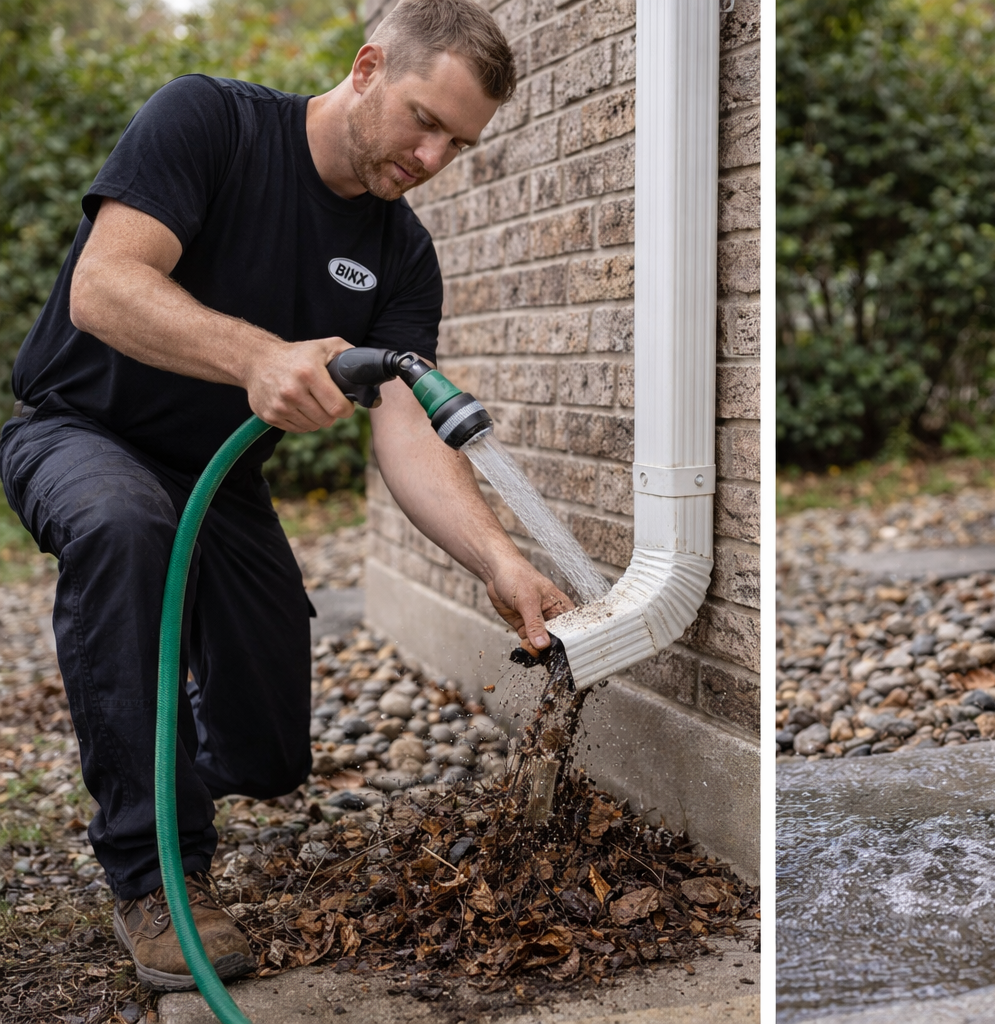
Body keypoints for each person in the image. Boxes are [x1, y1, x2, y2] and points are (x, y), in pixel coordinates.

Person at [0, 0, 572, 991]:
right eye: (423, 121)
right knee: (125, 527)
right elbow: (104, 286)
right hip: (81, 433)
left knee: (271, 757)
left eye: (459, 143)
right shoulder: (209, 123)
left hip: (217, 477)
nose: (433, 156)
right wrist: (255, 353)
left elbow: (408, 435)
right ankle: (151, 869)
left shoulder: (402, 256)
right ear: (366, 67)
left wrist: (501, 558)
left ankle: (155, 721)